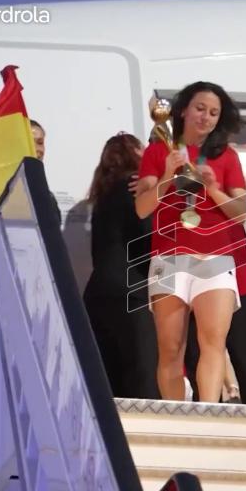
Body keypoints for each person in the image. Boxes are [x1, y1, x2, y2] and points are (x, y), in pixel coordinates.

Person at [134, 81, 246, 403]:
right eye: (200, 109)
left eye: (214, 113)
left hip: (215, 258)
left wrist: (213, 188)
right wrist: (169, 176)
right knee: (170, 348)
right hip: (169, 258)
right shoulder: (158, 152)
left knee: (213, 342)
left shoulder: (226, 156)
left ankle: (208, 415)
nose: (206, 117)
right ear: (184, 109)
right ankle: (176, 413)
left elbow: (242, 212)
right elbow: (142, 208)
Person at [82, 133, 160, 399]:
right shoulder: (134, 186)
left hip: (97, 295)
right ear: (136, 153)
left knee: (109, 380)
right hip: (130, 293)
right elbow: (146, 236)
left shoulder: (102, 194)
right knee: (142, 378)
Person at [184, 222, 246, 405]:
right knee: (199, 374)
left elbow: (239, 208)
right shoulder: (177, 197)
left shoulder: (221, 192)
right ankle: (205, 429)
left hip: (242, 285)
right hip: (197, 290)